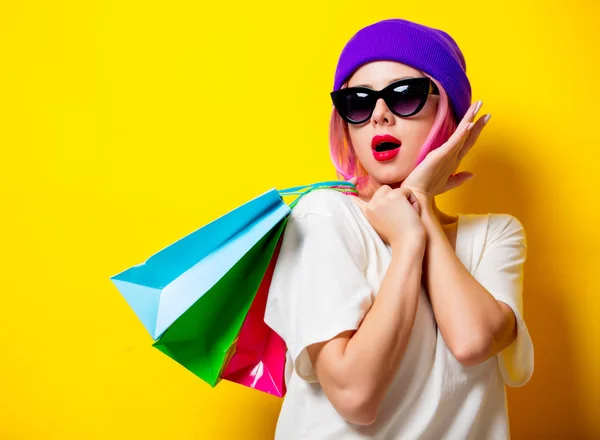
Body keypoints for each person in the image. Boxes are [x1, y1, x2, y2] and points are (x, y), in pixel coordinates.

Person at [264, 18, 534, 440]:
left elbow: (471, 340)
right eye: (358, 102)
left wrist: (419, 201)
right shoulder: (323, 217)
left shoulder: (495, 237)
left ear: (449, 118)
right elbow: (355, 396)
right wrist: (407, 242)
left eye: (404, 96)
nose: (379, 116)